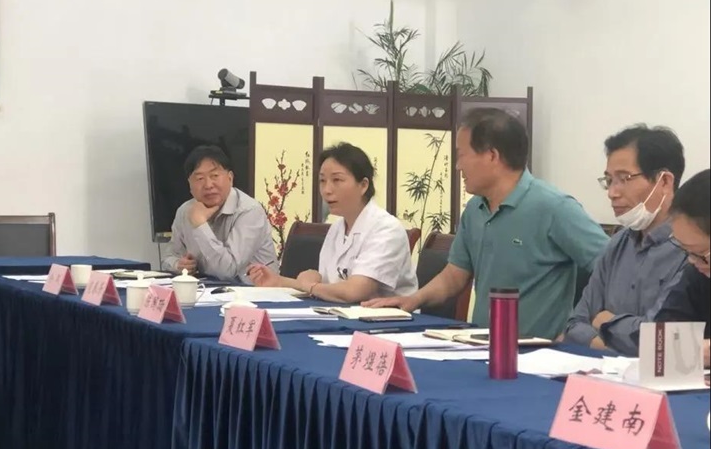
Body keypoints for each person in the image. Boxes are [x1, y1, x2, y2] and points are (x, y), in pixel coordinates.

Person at [364, 108, 609, 340]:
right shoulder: (475, 209)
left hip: (536, 353)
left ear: (492, 155)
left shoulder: (554, 207)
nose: (458, 166)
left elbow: (614, 268)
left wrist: (578, 330)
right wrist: (413, 300)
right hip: (480, 345)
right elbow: (454, 276)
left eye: (462, 155)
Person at [563, 126, 687, 354]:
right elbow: (575, 324)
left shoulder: (692, 249)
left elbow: (662, 340)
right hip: (605, 371)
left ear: (664, 182)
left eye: (624, 178)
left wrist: (604, 322)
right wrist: (617, 346)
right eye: (609, 180)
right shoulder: (617, 244)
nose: (612, 192)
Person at [248, 142, 416, 302]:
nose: (327, 190)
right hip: (342, 314)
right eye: (322, 181)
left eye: (337, 180)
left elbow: (354, 292)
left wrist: (307, 285)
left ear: (363, 185)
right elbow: (328, 286)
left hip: (389, 318)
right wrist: (279, 281)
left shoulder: (386, 229)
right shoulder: (337, 228)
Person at [162, 145, 276, 283]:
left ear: (230, 178)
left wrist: (200, 225)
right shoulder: (185, 211)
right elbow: (168, 257)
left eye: (214, 176)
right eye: (200, 178)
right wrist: (178, 265)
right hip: (207, 289)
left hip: (254, 291)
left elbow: (228, 271)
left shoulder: (249, 211)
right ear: (190, 185)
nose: (208, 185)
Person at [655, 169, 710, 367]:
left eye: (701, 253)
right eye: (686, 251)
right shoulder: (698, 273)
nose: (693, 261)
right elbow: (662, 341)